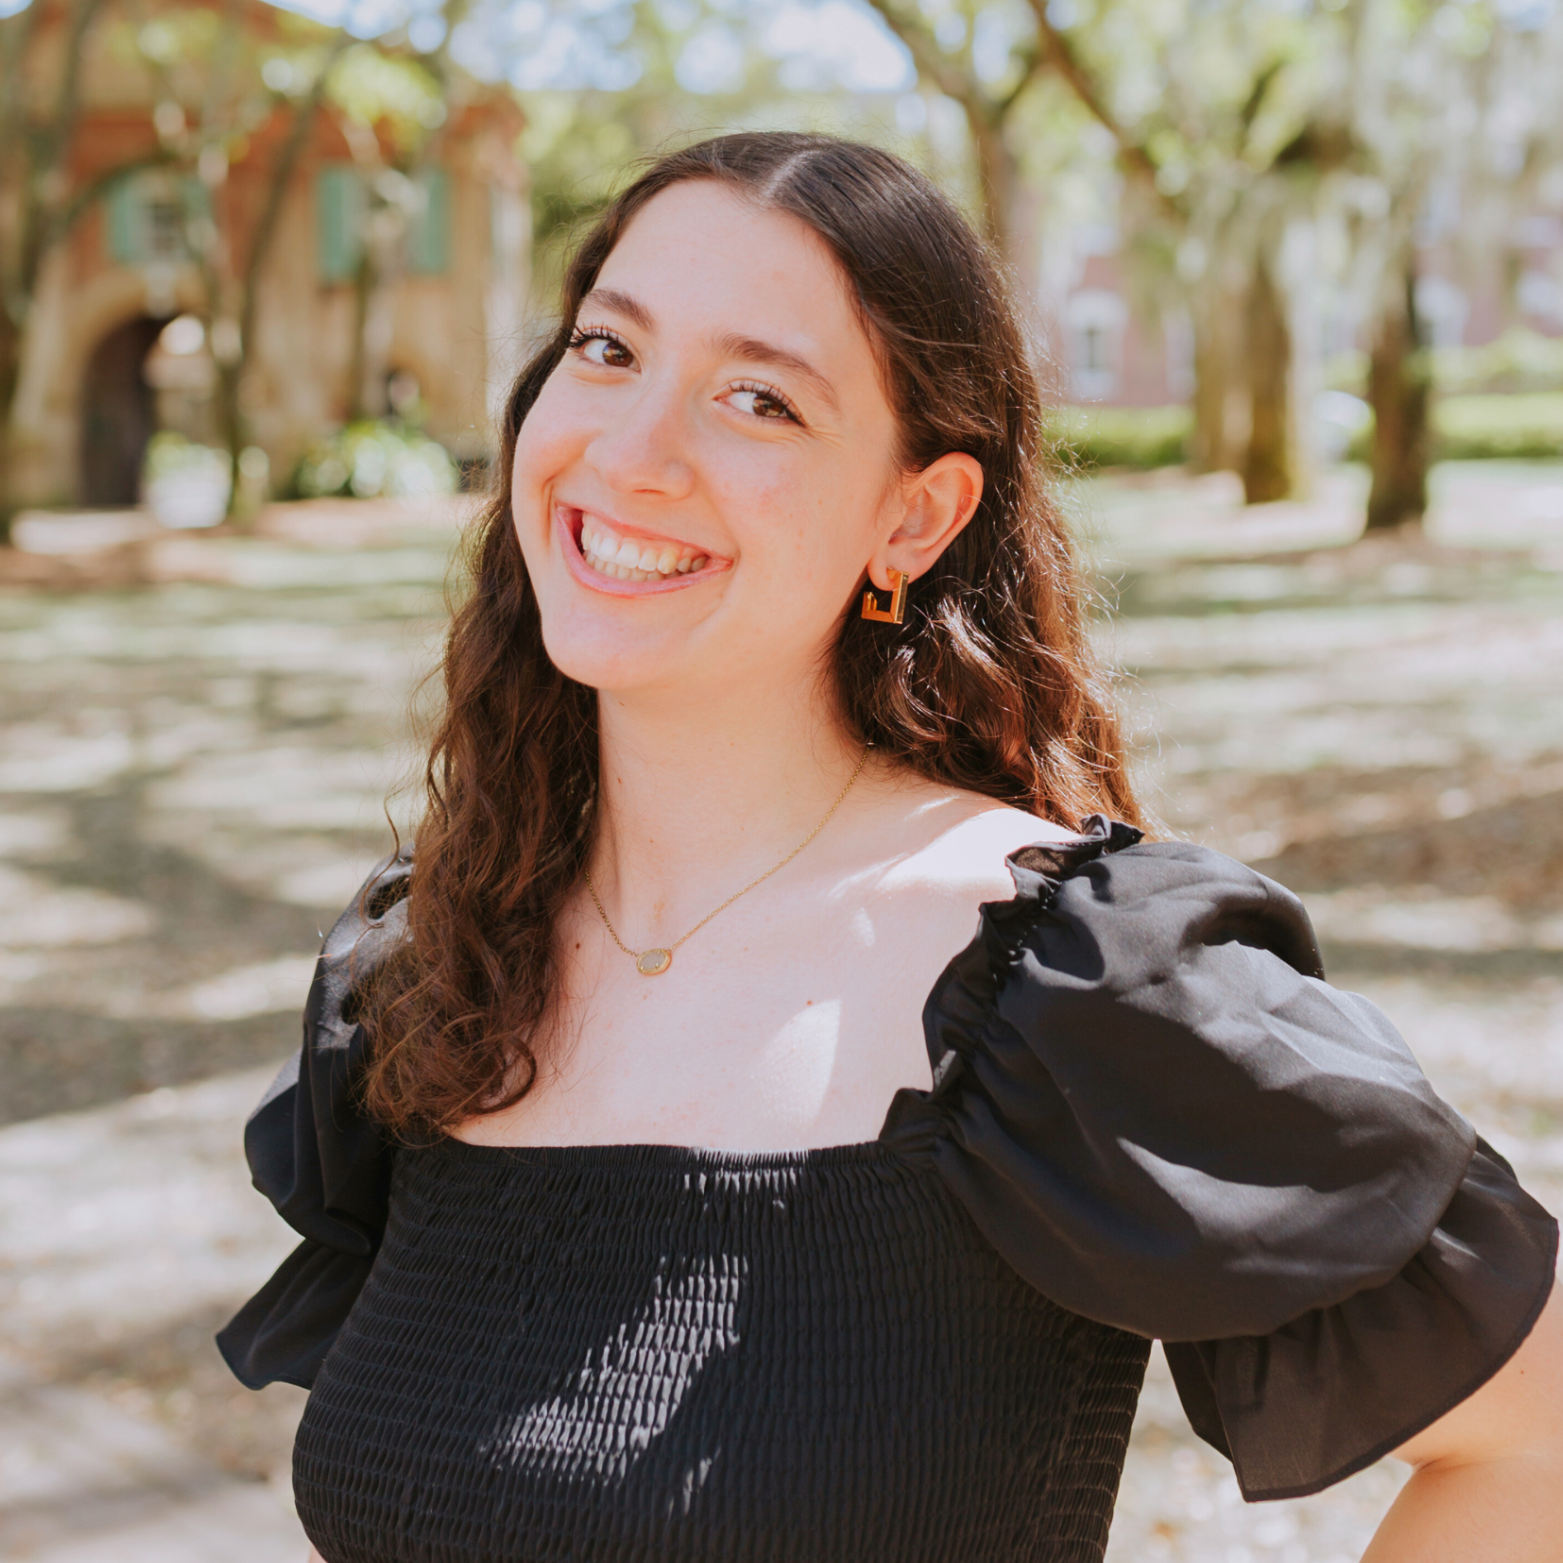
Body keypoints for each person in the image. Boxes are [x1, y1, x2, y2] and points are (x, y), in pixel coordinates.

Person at [219, 133, 1561, 1563]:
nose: (628, 451)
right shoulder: (438, 959)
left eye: (758, 398)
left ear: (912, 517)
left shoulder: (1061, 986)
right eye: (608, 348)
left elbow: (1532, 1443)